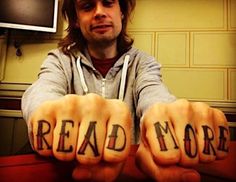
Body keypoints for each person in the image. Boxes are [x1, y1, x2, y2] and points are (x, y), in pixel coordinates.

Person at [21, 0, 230, 181]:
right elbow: (42, 90)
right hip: (68, 172)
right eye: (87, 6)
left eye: (109, 2)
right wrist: (45, 110)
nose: (99, 12)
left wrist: (166, 116)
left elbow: (154, 95)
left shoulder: (144, 64)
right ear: (76, 19)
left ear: (121, 12)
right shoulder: (60, 60)